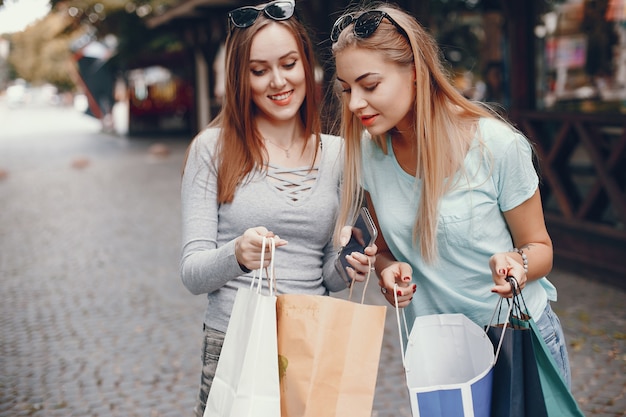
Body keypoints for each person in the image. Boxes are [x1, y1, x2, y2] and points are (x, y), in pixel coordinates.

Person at [329, 2, 571, 387]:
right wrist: (387, 270)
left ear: (414, 73)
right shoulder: (369, 152)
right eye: (346, 89)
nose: (355, 102)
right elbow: (386, 251)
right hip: (437, 356)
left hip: (515, 342)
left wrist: (517, 265)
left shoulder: (496, 145)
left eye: (369, 85)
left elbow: (540, 247)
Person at [180, 1, 376, 416]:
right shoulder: (211, 150)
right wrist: (237, 254)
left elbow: (324, 272)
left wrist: (348, 264)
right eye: (259, 70)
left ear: (306, 64)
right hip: (236, 340)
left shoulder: (338, 154)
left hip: (312, 337)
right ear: (240, 77)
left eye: (288, 64)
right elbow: (193, 273)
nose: (278, 81)